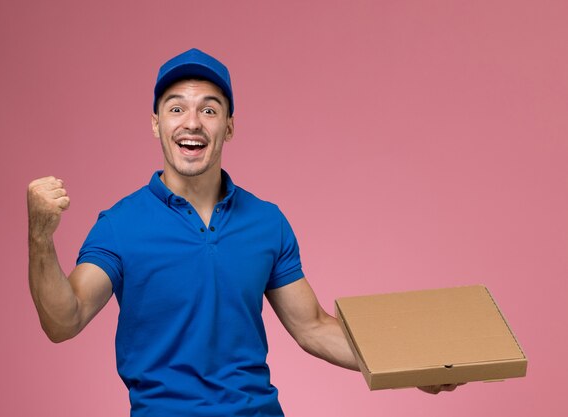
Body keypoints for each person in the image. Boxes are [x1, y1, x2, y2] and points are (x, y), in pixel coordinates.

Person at [27, 48, 459, 416]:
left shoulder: (267, 221)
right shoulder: (120, 225)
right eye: (176, 108)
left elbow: (313, 327)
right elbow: (65, 320)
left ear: (228, 126)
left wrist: (406, 363)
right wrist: (41, 239)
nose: (192, 122)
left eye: (209, 110)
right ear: (157, 124)